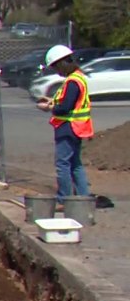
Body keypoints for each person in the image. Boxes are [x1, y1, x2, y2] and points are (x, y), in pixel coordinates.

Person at [35, 44, 93, 204]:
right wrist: (52, 101)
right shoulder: (78, 78)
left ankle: (64, 199)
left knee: (63, 164)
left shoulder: (73, 82)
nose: (57, 72)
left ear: (62, 64)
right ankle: (84, 198)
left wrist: (49, 107)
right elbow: (69, 102)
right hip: (75, 128)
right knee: (75, 164)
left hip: (68, 128)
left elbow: (65, 107)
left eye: (56, 68)